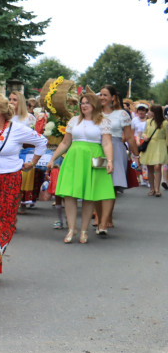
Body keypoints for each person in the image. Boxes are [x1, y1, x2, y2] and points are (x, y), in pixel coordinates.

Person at [0, 93, 47, 288]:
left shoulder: (17, 130)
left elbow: (42, 141)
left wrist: (32, 163)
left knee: (2, 222)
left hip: (9, 179)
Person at [50, 91, 115, 242]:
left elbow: (106, 143)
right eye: (82, 103)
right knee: (69, 194)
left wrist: (110, 161)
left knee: (89, 195)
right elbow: (65, 142)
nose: (84, 106)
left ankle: (84, 230)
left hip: (93, 158)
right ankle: (72, 229)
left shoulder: (103, 122)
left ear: (94, 105)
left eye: (87, 103)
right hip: (74, 157)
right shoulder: (74, 121)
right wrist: (53, 158)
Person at [98, 85, 133, 231]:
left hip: (117, 149)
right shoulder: (94, 113)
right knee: (99, 183)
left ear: (113, 97)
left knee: (112, 185)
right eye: (100, 95)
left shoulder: (121, 115)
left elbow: (130, 137)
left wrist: (136, 155)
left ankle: (104, 220)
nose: (102, 97)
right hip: (98, 149)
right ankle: (101, 217)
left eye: (106, 95)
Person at [139, 104, 168, 197]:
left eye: (151, 111)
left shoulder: (165, 123)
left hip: (160, 145)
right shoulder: (148, 122)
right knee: (150, 168)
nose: (149, 112)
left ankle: (157, 189)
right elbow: (144, 133)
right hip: (150, 146)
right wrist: (145, 136)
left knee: (157, 167)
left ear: (156, 112)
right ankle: (152, 189)